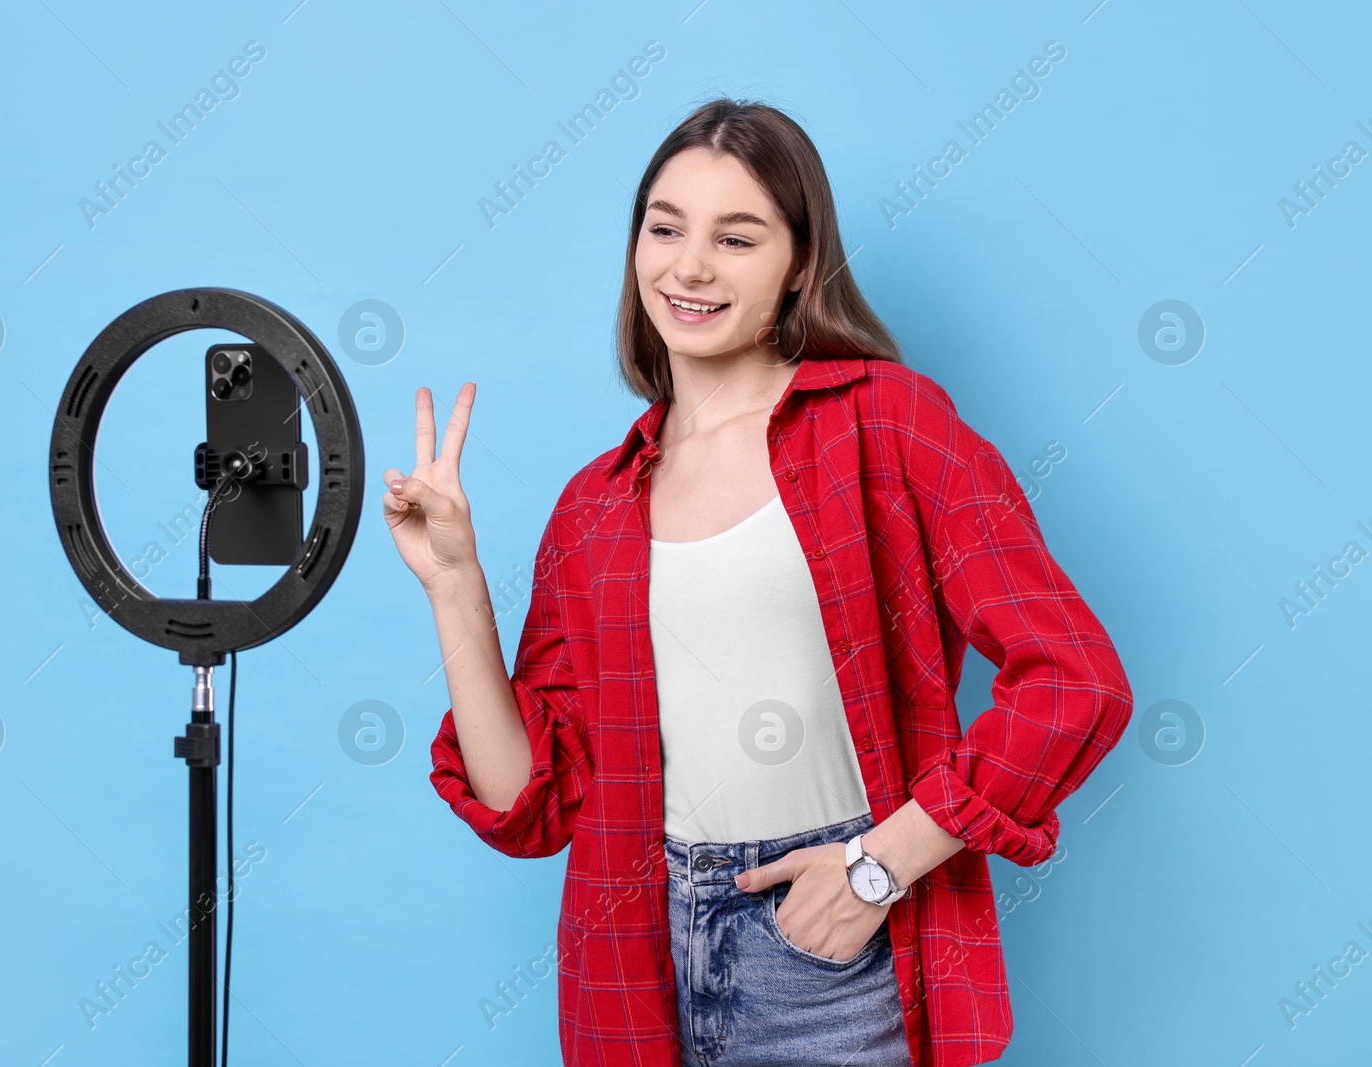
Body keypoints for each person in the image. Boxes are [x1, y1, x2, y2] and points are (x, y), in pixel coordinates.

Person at [384, 98, 1133, 1067]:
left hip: (827, 955)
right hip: (632, 963)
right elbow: (530, 800)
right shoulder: (594, 507)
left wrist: (880, 865)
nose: (688, 266)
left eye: (735, 238)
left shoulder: (886, 423)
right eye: (664, 228)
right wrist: (455, 588)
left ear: (797, 267)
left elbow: (1077, 681)